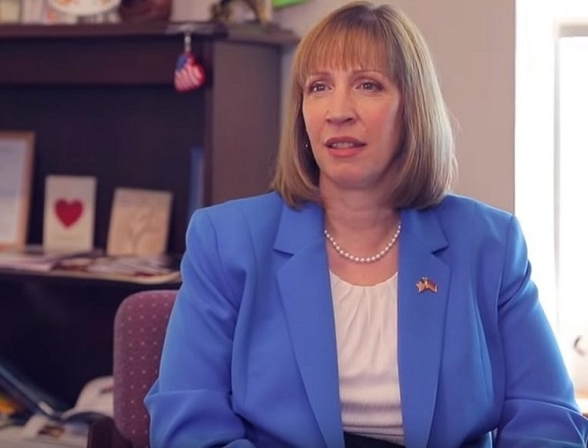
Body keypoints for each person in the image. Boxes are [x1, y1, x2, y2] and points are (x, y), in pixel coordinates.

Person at [144, 1, 588, 446]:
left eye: (367, 85)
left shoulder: (489, 243)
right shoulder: (226, 240)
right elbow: (190, 423)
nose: (338, 111)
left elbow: (547, 420)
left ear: (412, 108)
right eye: (319, 87)